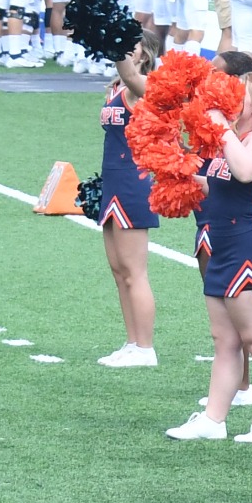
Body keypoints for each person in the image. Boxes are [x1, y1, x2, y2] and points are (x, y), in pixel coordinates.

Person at [164, 71, 252, 446]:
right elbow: (220, 182)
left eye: (240, 94)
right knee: (224, 340)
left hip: (251, 248)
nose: (228, 99)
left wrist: (221, 127)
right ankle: (213, 419)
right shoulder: (236, 138)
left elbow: (245, 170)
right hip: (223, 246)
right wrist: (178, 172)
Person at [95, 38, 159, 368]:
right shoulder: (117, 87)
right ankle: (132, 341)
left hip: (134, 182)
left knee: (135, 271)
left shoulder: (144, 87)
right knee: (119, 271)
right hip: (112, 180)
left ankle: (145, 347)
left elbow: (131, 76)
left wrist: (115, 36)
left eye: (128, 45)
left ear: (143, 53)